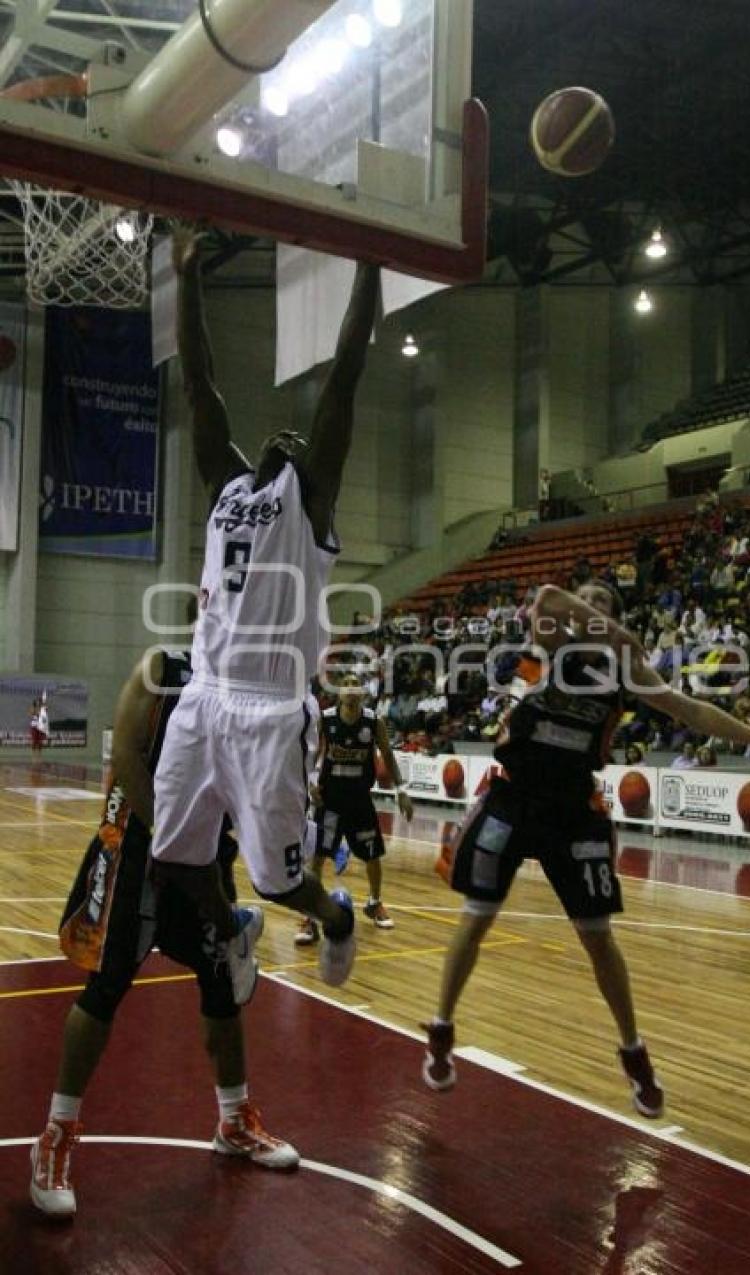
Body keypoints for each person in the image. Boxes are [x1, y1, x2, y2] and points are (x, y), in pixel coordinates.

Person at [420, 580, 750, 1118]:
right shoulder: (550, 642)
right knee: (476, 918)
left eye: (603, 603)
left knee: (599, 938)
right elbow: (545, 596)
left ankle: (633, 1052)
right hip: (513, 795)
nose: (591, 608)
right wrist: (617, 629)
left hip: (572, 807)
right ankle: (443, 1027)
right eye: (586, 601)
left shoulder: (625, 670)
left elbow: (693, 712)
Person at [151, 230, 380, 985]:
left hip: (271, 708)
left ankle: (336, 913)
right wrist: (187, 276)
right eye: (275, 433)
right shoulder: (229, 486)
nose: (287, 433)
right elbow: (198, 383)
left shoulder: (306, 502)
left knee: (279, 879)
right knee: (173, 855)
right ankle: (231, 928)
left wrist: (369, 263)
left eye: (297, 435)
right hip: (204, 694)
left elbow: (345, 377)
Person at [30, 650, 300, 1220]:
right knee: (105, 990)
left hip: (201, 857)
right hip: (136, 847)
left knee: (222, 985)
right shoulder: (160, 669)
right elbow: (126, 756)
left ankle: (234, 1119)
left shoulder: (250, 692)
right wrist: (170, 834)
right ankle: (55, 1136)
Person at [295, 674, 414, 944]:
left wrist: (402, 790)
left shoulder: (373, 721)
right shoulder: (325, 719)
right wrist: (310, 783)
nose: (350, 689)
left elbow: (388, 755)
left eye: (355, 685)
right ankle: (310, 917)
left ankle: (374, 902)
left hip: (360, 800)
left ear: (363, 693)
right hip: (331, 801)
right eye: (345, 684)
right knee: (318, 857)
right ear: (339, 693)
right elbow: (310, 755)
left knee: (373, 856)